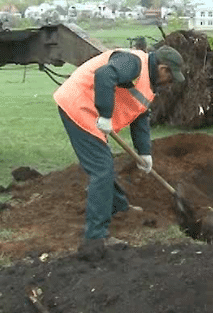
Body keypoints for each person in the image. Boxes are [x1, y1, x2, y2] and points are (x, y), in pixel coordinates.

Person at [53, 45, 185, 250]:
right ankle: (95, 238)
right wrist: (105, 115)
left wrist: (145, 152)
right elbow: (105, 74)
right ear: (163, 69)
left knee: (104, 166)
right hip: (78, 105)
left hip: (92, 114)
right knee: (102, 170)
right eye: (171, 77)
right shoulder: (133, 63)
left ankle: (119, 207)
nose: (169, 83)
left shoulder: (148, 85)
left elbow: (140, 117)